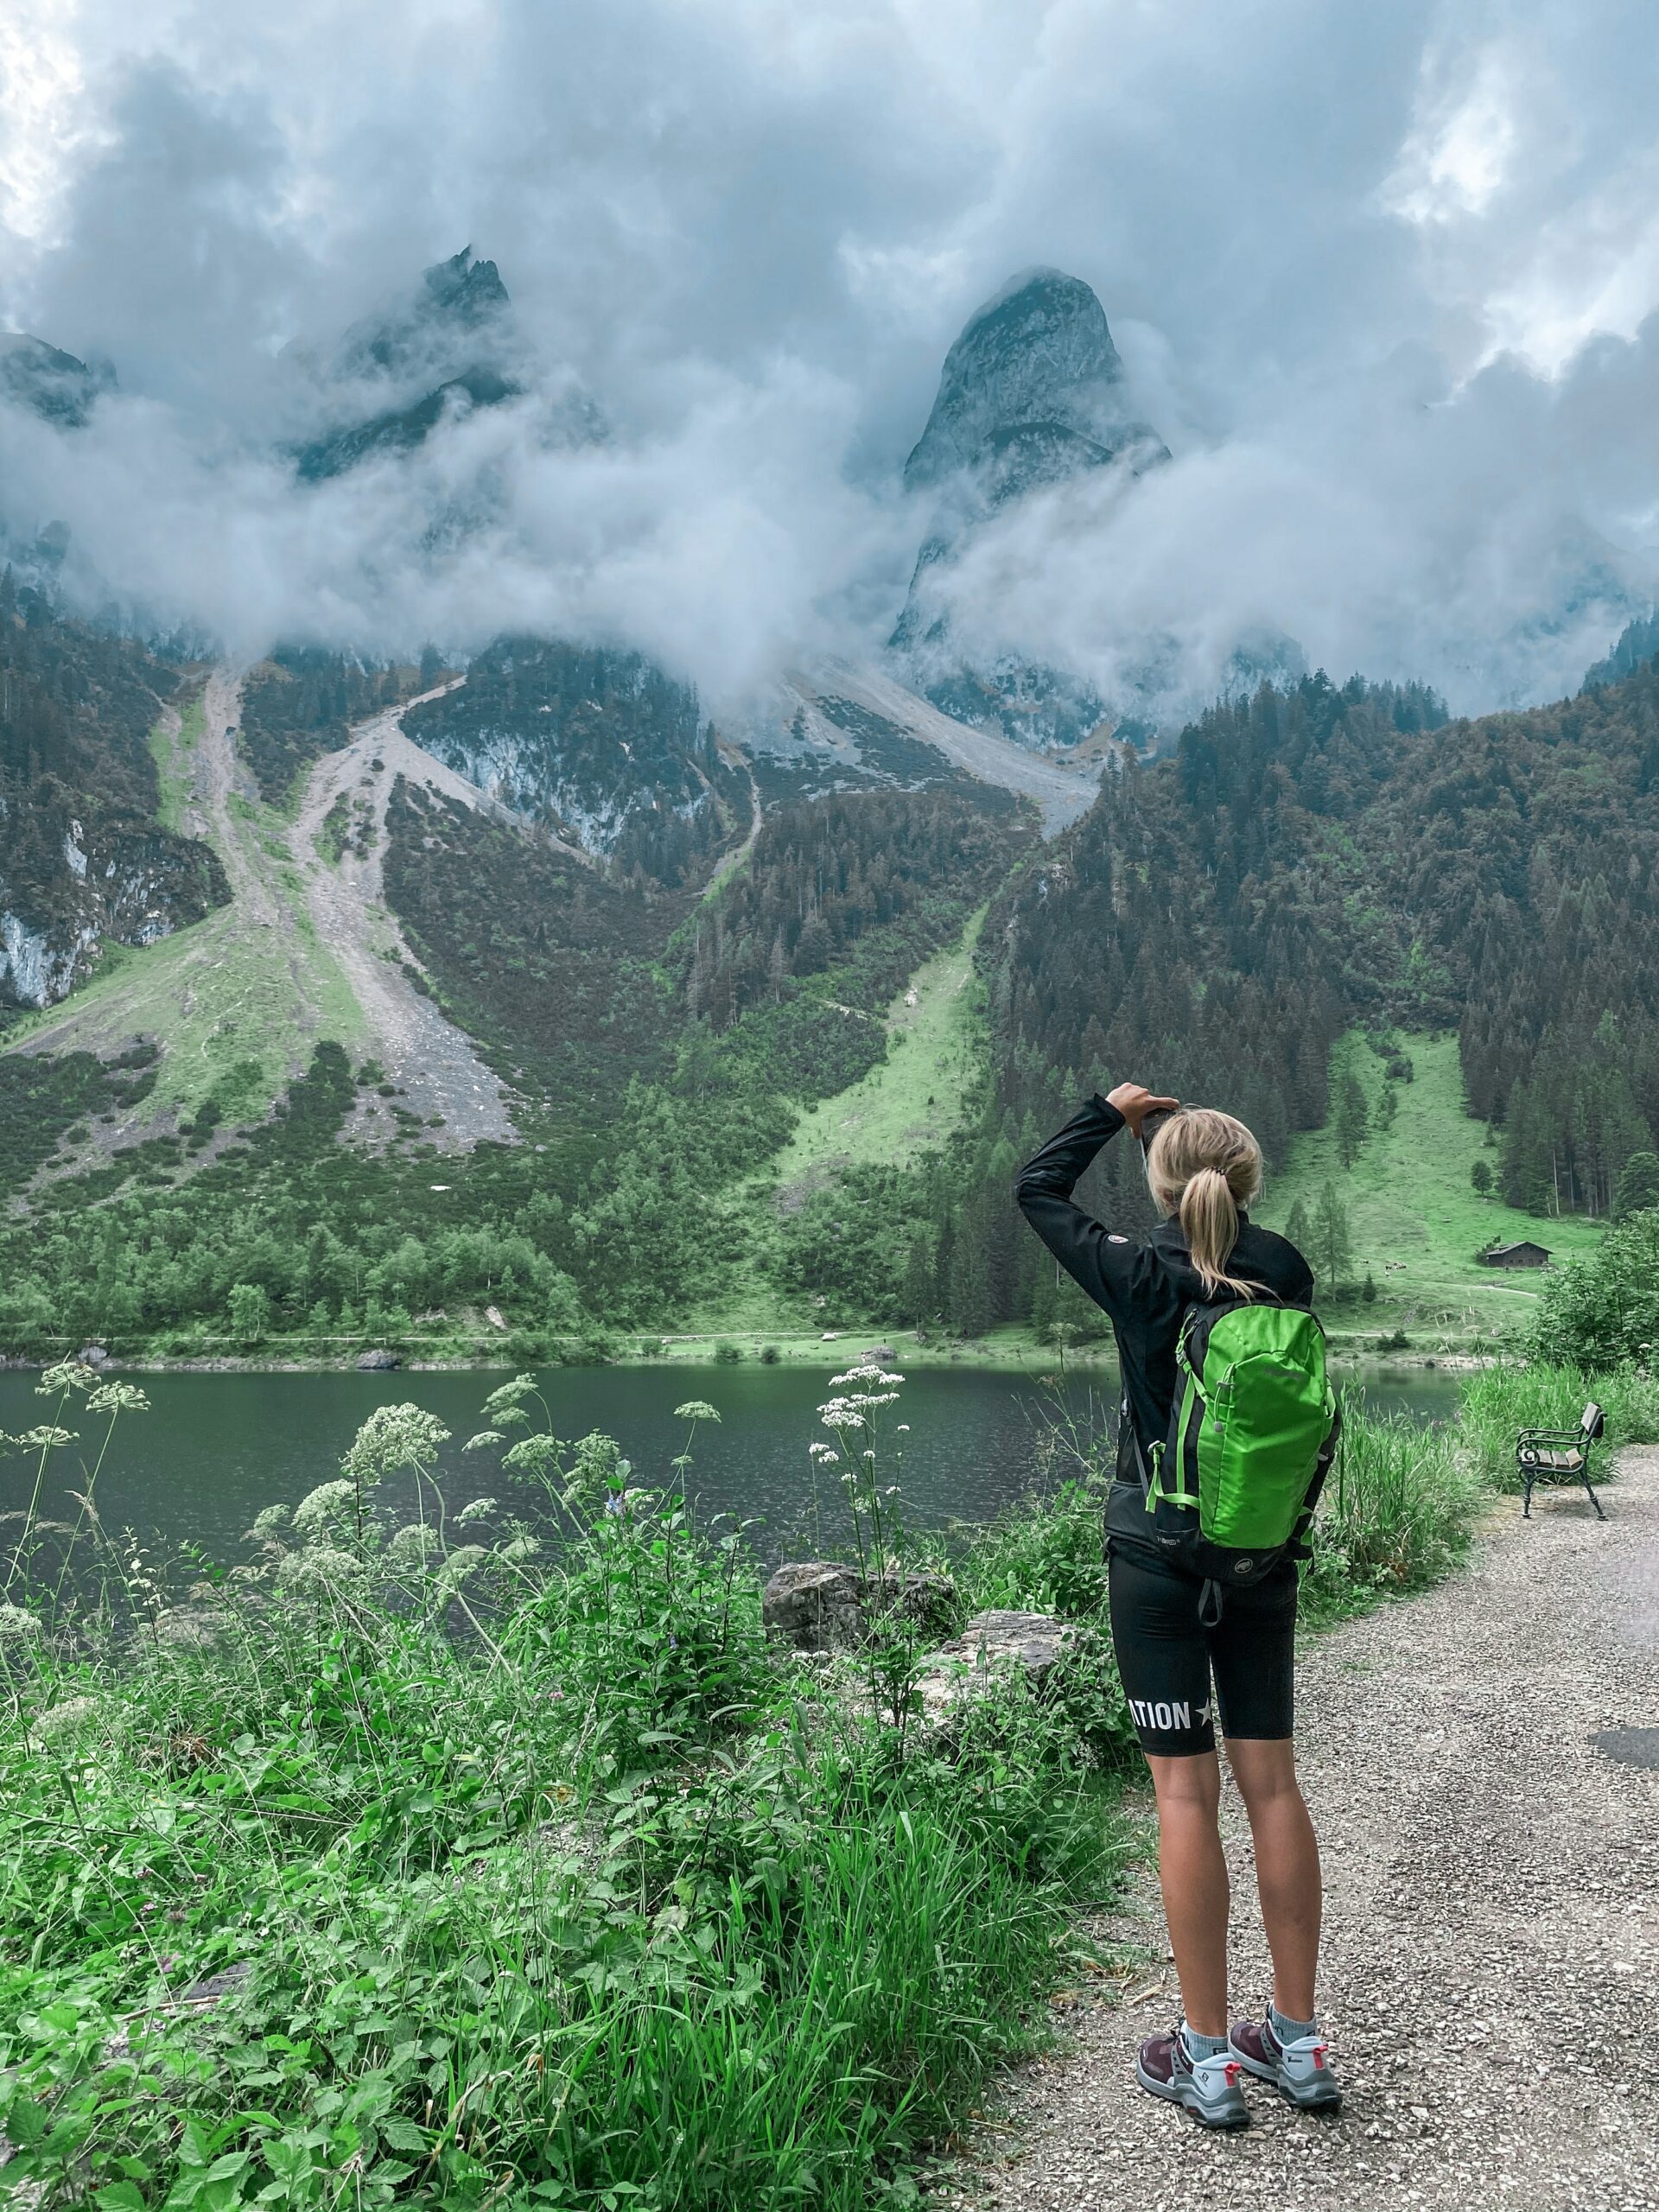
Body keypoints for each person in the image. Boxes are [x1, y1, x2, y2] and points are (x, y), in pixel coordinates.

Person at [1015, 1081, 1339, 2130]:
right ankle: (1297, 2042)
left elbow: (1036, 1188)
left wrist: (1108, 1111)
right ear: (1249, 1182)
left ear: (1162, 1188)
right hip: (1261, 1557)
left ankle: (1205, 2058)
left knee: (1184, 1796)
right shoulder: (1284, 1268)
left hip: (1155, 1558)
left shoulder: (1138, 1271)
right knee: (1273, 1788)